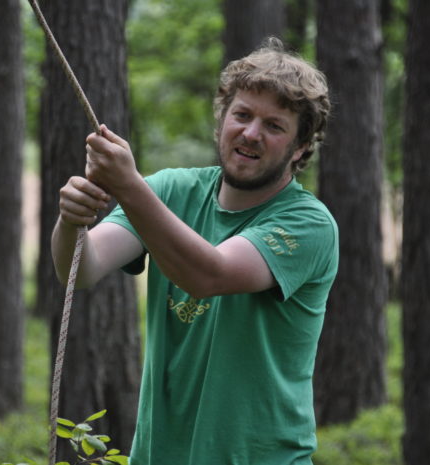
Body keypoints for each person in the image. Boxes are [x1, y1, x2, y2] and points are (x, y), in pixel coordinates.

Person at [51, 38, 338, 465]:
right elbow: (84, 267)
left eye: (274, 126)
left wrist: (129, 186)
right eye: (242, 115)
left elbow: (209, 275)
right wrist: (70, 220)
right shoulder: (171, 190)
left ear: (300, 147)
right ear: (223, 118)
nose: (251, 133)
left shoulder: (309, 224)